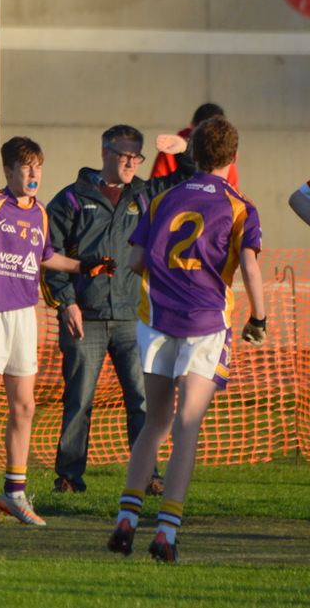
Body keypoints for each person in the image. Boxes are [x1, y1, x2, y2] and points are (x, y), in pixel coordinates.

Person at [107, 115, 265, 563]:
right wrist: (260, 316)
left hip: (155, 322)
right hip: (204, 325)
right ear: (233, 158)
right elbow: (250, 267)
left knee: (154, 422)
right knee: (186, 426)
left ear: (192, 155)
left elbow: (136, 259)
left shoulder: (162, 198)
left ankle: (127, 516)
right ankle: (167, 531)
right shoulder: (240, 206)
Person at [0, 136, 115, 527]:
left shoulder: (39, 214)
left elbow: (46, 257)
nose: (34, 174)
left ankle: (13, 494)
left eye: (38, 167)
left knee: (25, 406)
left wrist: (84, 266)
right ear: (9, 171)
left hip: (24, 317)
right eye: (26, 167)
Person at [42, 125, 197, 495]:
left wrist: (183, 148)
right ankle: (68, 476)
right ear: (104, 153)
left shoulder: (145, 194)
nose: (130, 162)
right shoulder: (71, 199)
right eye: (124, 154)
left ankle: (149, 476)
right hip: (86, 317)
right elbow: (48, 256)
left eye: (136, 156)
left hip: (133, 317)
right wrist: (67, 304)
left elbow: (192, 177)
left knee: (142, 401)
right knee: (79, 399)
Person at [150, 103, 238, 187]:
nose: (209, 141)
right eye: (203, 134)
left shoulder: (225, 153)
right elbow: (157, 191)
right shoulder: (170, 150)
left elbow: (232, 193)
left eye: (216, 136)